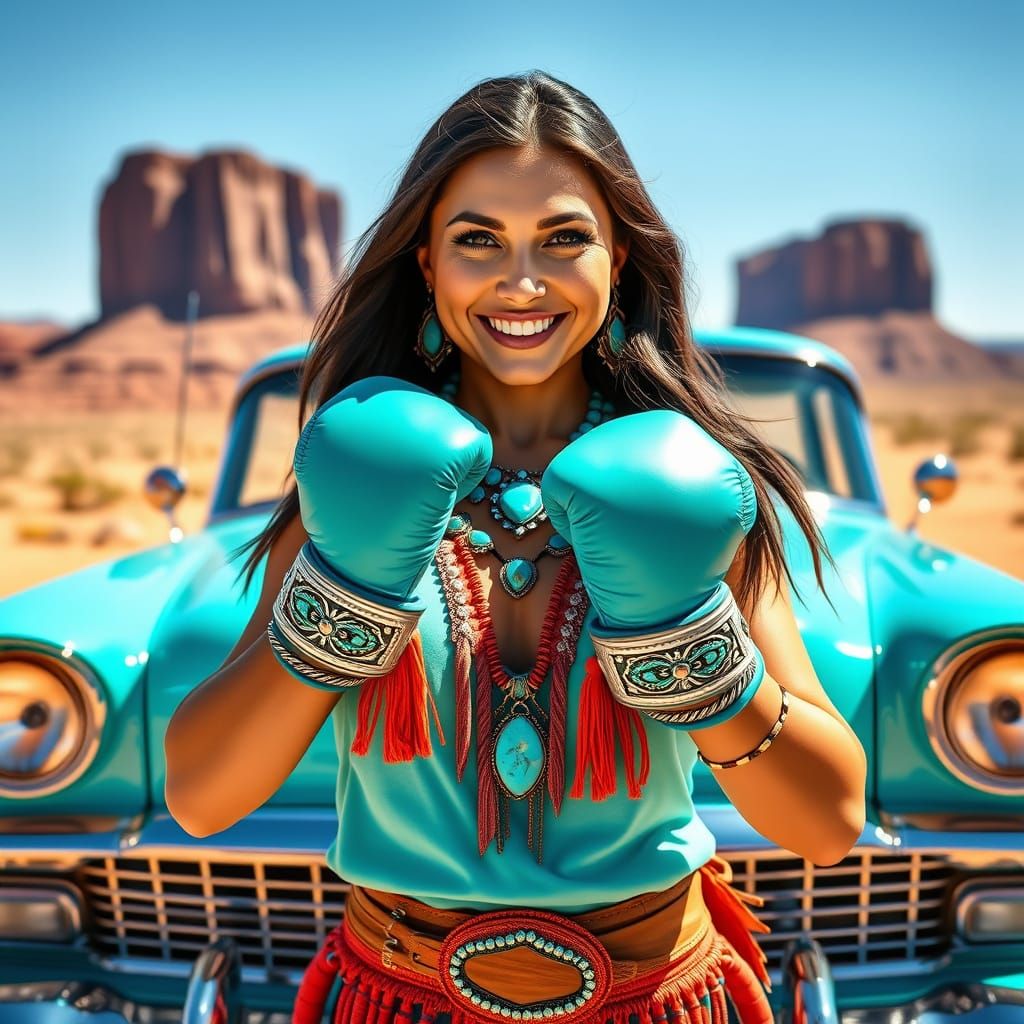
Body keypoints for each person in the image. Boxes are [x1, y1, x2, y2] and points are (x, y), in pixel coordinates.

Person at [164, 70, 867, 1024]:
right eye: (478, 239)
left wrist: (689, 644)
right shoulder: (353, 480)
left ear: (620, 256)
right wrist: (345, 591)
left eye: (565, 238)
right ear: (426, 263)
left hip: (656, 997)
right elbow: (203, 798)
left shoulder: (698, 487)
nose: (522, 281)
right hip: (398, 999)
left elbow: (826, 822)